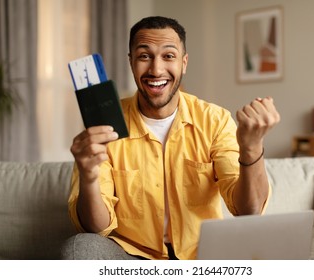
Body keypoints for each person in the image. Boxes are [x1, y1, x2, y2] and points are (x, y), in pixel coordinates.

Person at [62, 16, 280, 260]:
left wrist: (251, 148)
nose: (156, 70)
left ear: (184, 63)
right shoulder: (106, 125)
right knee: (81, 247)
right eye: (144, 56)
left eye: (168, 56)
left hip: (200, 257)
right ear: (131, 62)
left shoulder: (215, 120)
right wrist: (89, 177)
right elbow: (96, 228)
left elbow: (248, 212)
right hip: (132, 256)